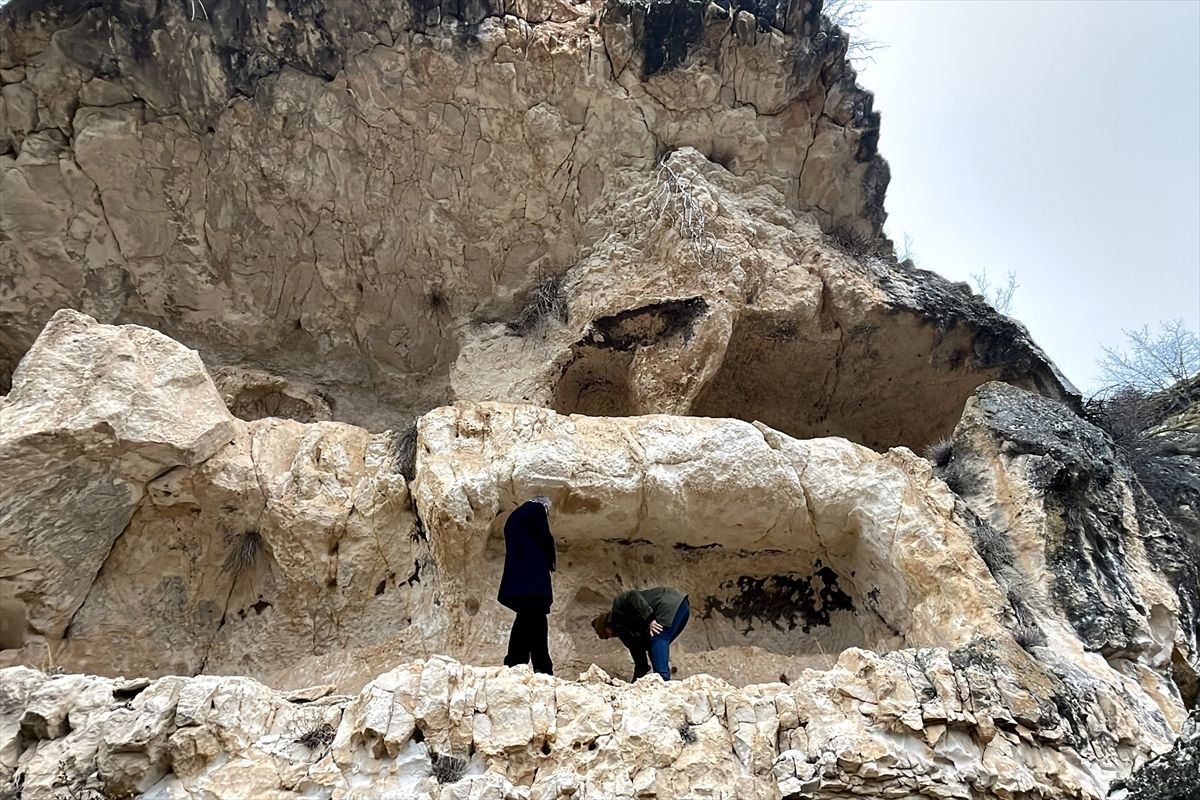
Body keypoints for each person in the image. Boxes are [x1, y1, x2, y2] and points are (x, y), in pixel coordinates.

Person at [497, 496, 556, 674]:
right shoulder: (536, 510)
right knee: (536, 621)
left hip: (519, 584)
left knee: (526, 619)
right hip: (533, 584)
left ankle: (516, 662)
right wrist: (550, 558)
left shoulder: (516, 516)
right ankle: (541, 666)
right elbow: (545, 536)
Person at [592, 586, 689, 681]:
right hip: (682, 607)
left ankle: (663, 680)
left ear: (607, 625)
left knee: (658, 638)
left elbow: (632, 596)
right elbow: (641, 664)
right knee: (654, 645)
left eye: (606, 634)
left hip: (669, 603)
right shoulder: (626, 635)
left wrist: (650, 619)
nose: (609, 637)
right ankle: (660, 679)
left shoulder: (618, 607)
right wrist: (633, 686)